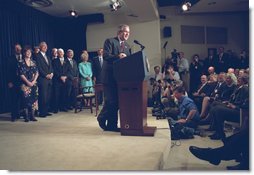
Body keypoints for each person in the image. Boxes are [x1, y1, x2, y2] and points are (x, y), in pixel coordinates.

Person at [97, 24, 131, 132]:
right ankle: (101, 117)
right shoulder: (110, 41)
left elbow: (129, 61)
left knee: (117, 102)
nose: (127, 34)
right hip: (109, 77)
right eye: (125, 32)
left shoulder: (128, 46)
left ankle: (112, 125)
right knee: (111, 101)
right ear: (119, 32)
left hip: (120, 79)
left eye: (128, 32)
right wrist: (118, 56)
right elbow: (106, 56)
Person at [18, 47, 39, 122]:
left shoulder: (33, 62)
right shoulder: (21, 62)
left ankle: (32, 116)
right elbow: (21, 74)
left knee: (34, 99)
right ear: (24, 53)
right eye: (27, 52)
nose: (29, 53)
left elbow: (37, 72)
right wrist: (28, 82)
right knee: (25, 100)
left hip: (34, 83)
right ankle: (26, 116)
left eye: (30, 52)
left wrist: (33, 81)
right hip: (25, 84)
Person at [35, 41, 54, 117]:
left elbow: (51, 67)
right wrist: (46, 75)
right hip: (43, 80)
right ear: (40, 47)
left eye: (46, 46)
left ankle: (46, 111)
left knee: (48, 96)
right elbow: (39, 68)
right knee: (43, 97)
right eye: (43, 46)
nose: (45, 47)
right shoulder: (37, 56)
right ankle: (42, 112)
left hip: (49, 79)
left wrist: (52, 73)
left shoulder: (47, 56)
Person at [7, 43, 23, 121]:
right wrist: (9, 81)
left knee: (22, 99)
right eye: (16, 48)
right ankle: (14, 115)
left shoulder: (24, 57)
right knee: (14, 99)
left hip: (23, 81)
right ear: (14, 50)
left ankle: (20, 114)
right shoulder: (10, 58)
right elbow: (8, 71)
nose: (18, 50)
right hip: (13, 82)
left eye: (19, 48)